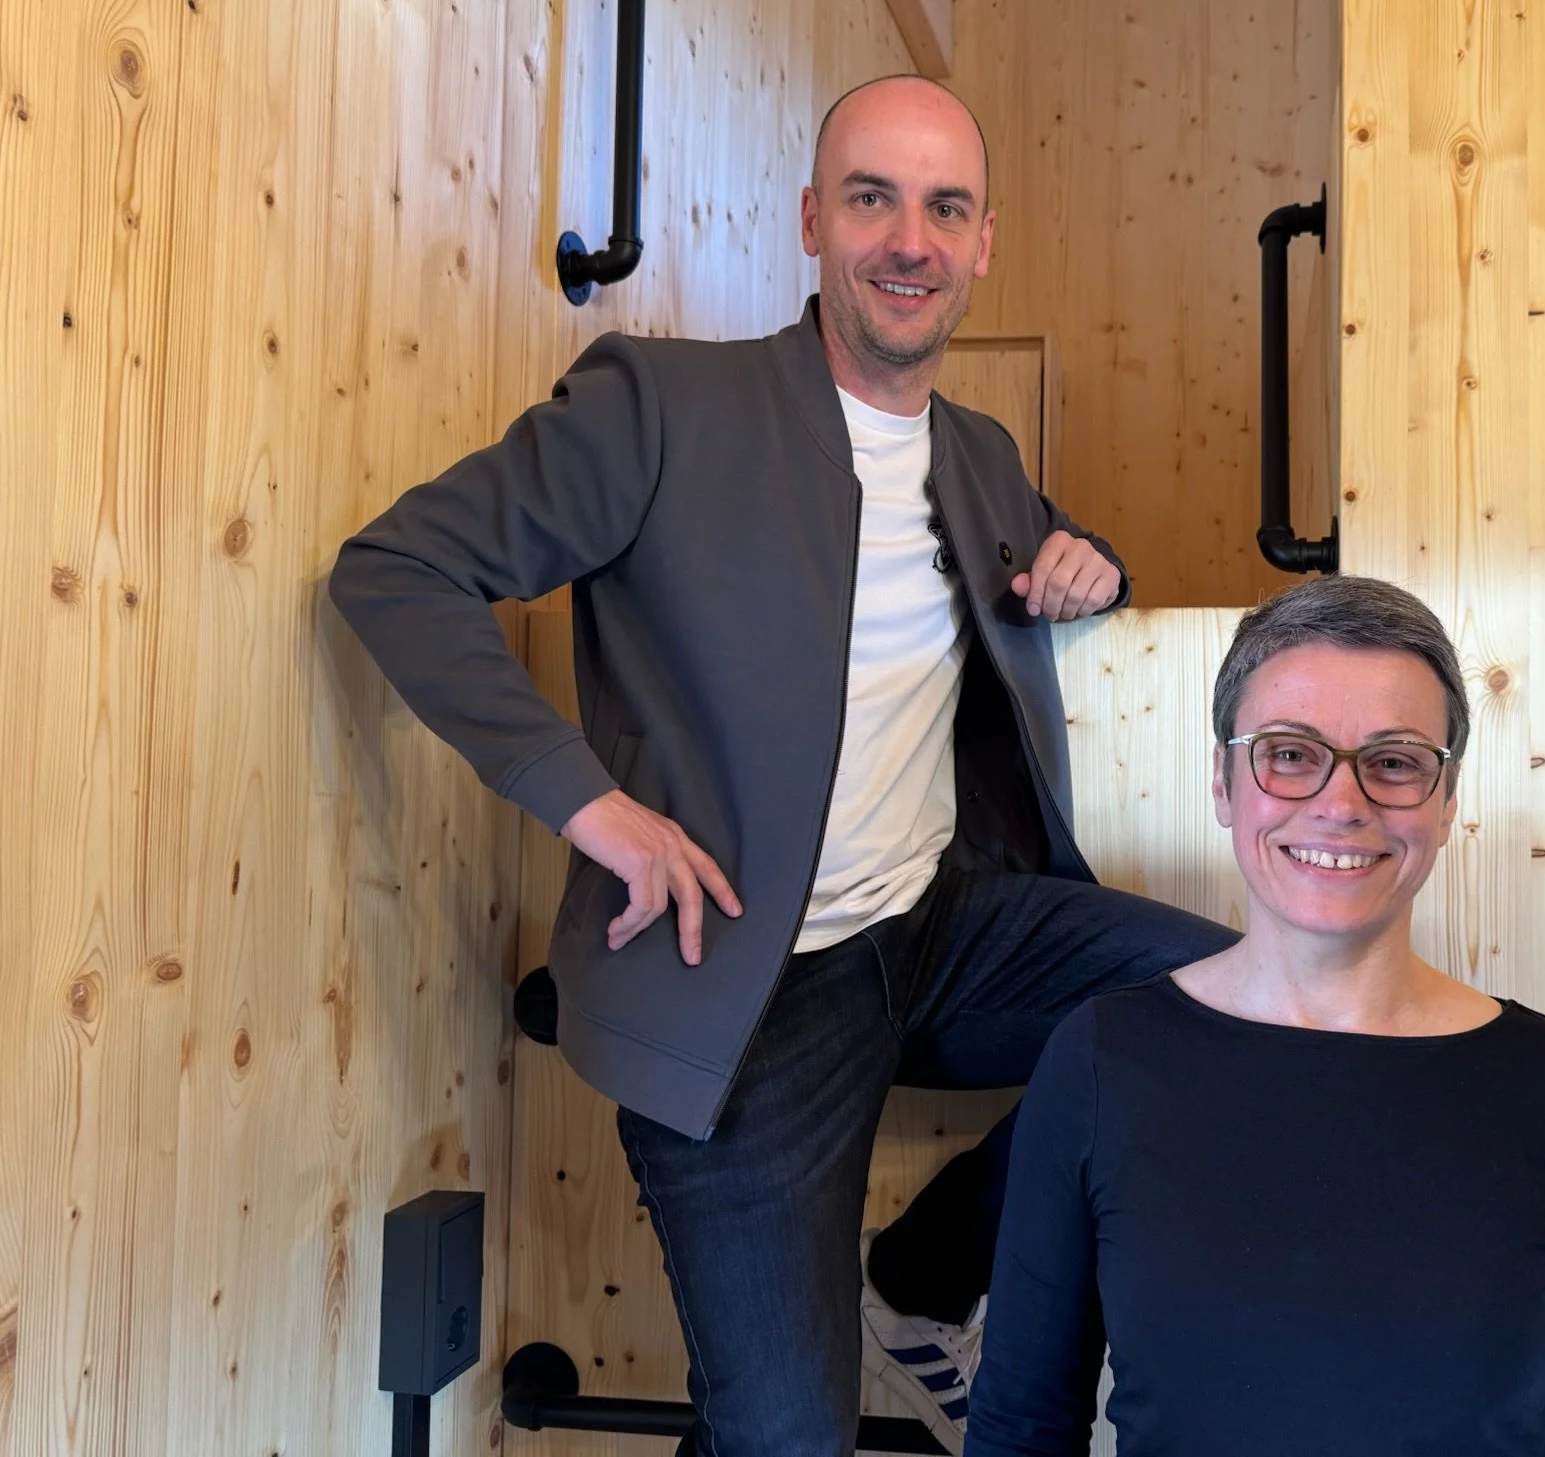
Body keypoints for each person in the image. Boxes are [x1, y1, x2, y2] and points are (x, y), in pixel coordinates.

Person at [327, 74, 1236, 1457]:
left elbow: (1055, 556)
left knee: (1233, 1010)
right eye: (873, 199)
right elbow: (398, 570)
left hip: (938, 928)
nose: (910, 242)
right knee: (786, 1437)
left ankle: (922, 1282)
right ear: (812, 220)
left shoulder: (979, 453)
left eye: (945, 209)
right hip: (746, 983)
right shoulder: (661, 404)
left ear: (984, 242)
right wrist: (591, 805)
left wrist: (1094, 566)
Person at [966, 575, 1545, 1456]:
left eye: (1394, 762)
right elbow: (1022, 1429)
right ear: (1224, 782)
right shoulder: (1100, 1063)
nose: (1341, 804)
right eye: (1289, 753)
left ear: (1446, 801)